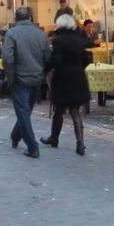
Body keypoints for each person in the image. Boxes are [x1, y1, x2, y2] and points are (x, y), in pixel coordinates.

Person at [2, 6, 50, 158]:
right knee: (26, 111)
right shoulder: (41, 34)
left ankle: (32, 147)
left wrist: (10, 76)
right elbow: (47, 56)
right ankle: (16, 136)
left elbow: (7, 58)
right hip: (36, 77)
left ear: (15, 18)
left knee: (23, 112)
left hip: (20, 77)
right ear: (30, 17)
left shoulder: (11, 33)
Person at [40, 14, 90, 155]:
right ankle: (80, 143)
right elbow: (86, 59)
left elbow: (55, 61)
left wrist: (45, 68)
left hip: (63, 79)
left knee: (59, 110)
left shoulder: (58, 41)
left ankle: (54, 137)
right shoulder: (80, 39)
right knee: (75, 111)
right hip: (78, 78)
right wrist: (78, 68)